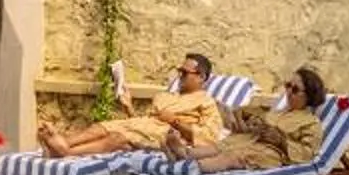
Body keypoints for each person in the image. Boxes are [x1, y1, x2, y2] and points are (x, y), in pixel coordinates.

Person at [37, 52, 226, 158]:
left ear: (201, 77)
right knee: (102, 126)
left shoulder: (206, 102)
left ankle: (66, 151)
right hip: (144, 128)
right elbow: (142, 122)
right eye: (179, 72)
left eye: (185, 73)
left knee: (118, 138)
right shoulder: (167, 96)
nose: (180, 76)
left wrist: (175, 122)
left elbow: (209, 137)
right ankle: (64, 142)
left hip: (164, 136)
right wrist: (128, 106)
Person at [176, 68, 328, 174]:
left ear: (309, 96)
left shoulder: (311, 123)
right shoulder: (277, 112)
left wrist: (282, 141)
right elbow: (252, 119)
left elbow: (308, 153)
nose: (288, 92)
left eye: (295, 90)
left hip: (271, 152)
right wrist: (249, 122)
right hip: (251, 140)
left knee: (235, 155)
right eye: (288, 86)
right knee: (225, 144)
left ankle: (194, 169)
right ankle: (186, 154)